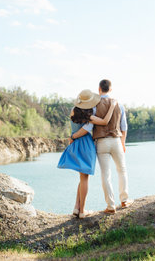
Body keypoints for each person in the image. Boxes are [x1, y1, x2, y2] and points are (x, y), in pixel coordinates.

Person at [71, 79, 133, 214]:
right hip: (116, 140)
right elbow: (124, 126)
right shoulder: (119, 104)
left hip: (101, 142)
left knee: (106, 174)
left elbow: (90, 126)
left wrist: (73, 136)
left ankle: (110, 206)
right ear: (110, 89)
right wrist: (123, 143)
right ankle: (124, 200)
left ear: (99, 89)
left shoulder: (93, 106)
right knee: (122, 170)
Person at [57, 89, 117, 218]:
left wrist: (73, 136)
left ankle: (76, 208)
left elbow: (76, 129)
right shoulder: (89, 117)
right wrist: (112, 106)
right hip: (86, 145)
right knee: (85, 179)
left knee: (82, 178)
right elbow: (105, 121)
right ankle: (83, 211)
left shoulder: (73, 111)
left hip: (76, 144)